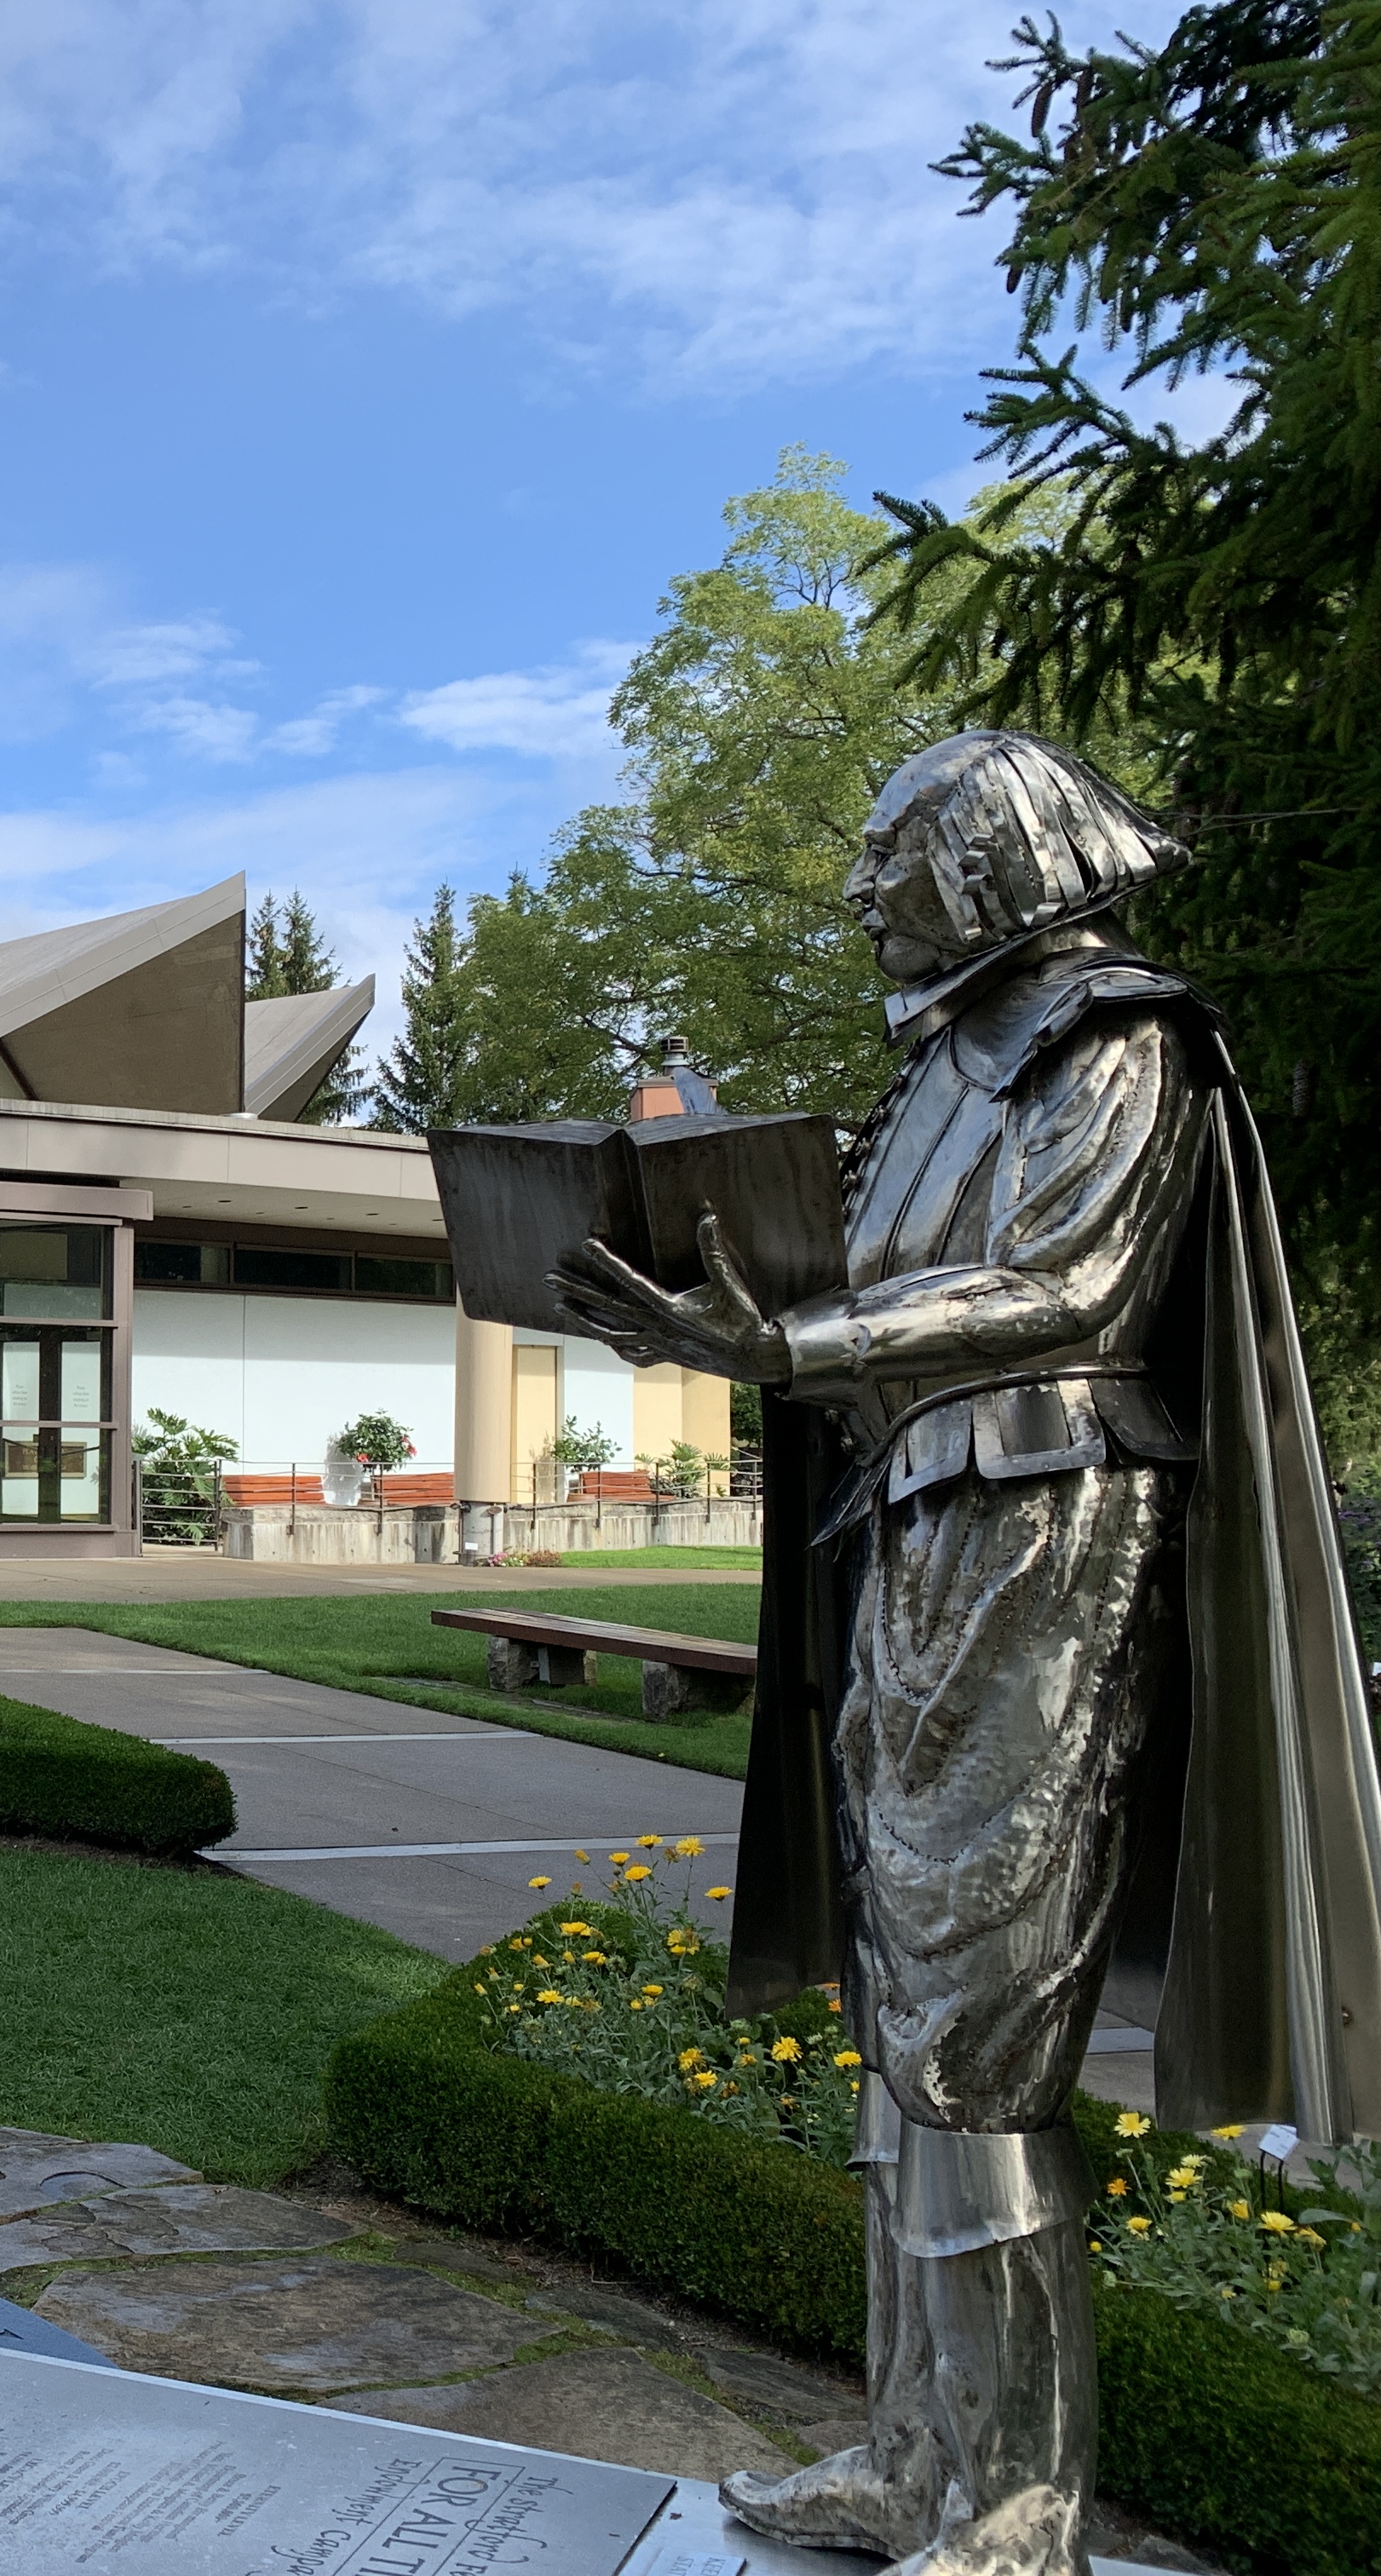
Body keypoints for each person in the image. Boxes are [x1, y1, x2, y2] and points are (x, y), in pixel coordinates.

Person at [550, 730, 1381, 2576]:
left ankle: (1018, 2511)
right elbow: (853, 1284)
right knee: (908, 2015)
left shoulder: (1119, 1036)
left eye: (890, 852)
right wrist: (707, 1282)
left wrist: (786, 1347)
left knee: (983, 2027)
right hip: (917, 1535)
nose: (859, 887)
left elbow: (1075, 1289)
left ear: (994, 857)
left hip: (1051, 1534)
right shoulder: (944, 1062)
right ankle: (917, 2460)